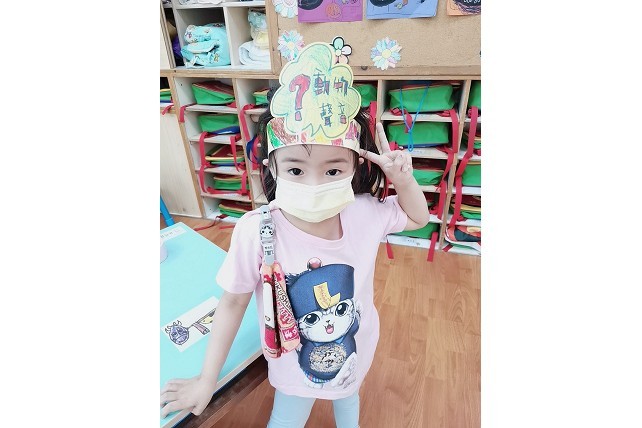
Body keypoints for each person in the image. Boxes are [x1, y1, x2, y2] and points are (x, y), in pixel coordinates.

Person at [160, 94, 430, 428]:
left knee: (349, 393)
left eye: (333, 169)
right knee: (288, 417)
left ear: (355, 167)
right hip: (294, 364)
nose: (314, 184)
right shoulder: (256, 231)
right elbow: (232, 303)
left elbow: (417, 218)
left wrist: (403, 179)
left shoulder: (365, 212)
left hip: (356, 346)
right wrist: (206, 380)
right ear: (272, 166)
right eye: (296, 169)